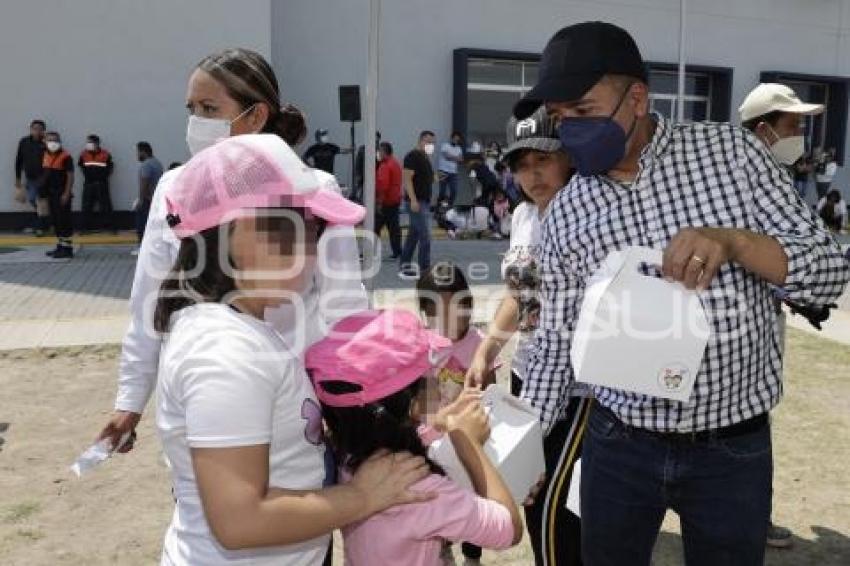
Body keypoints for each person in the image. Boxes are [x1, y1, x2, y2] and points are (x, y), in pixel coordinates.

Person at [513, 21, 850, 566]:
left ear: (637, 97)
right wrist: (522, 444)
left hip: (730, 451)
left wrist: (736, 242)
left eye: (583, 110)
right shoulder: (569, 210)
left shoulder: (731, 156)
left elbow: (830, 272)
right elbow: (554, 341)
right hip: (618, 444)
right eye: (561, 117)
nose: (570, 130)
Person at [154, 134, 432, 565]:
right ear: (242, 230)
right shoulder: (225, 352)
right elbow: (240, 521)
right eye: (305, 228)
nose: (313, 247)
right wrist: (361, 497)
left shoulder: (242, 326)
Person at [96, 47, 367, 466]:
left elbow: (345, 304)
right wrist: (130, 399)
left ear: (255, 116)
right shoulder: (176, 187)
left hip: (295, 409)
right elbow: (148, 302)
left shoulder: (313, 189)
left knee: (296, 515)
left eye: (209, 108)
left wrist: (344, 399)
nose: (196, 122)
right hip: (207, 408)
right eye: (192, 108)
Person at [306, 308, 523, 566]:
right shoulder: (419, 488)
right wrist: (468, 442)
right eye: (430, 371)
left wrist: (438, 424)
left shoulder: (349, 455)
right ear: (409, 402)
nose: (438, 378)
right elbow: (508, 529)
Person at [467, 107, 584, 566]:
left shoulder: (589, 210)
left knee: (559, 505)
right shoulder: (522, 216)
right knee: (532, 493)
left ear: (568, 158)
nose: (531, 175)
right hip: (527, 375)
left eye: (543, 160)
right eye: (521, 165)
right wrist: (488, 347)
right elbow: (520, 294)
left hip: (580, 387)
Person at [738, 81, 826, 550]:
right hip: (733, 334)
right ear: (764, 130)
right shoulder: (738, 183)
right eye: (792, 126)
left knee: (757, 416)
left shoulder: (779, 180)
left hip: (766, 321)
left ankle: (753, 515)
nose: (800, 136)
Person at [417, 262, 501, 564]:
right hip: (431, 439)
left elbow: (490, 394)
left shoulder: (478, 345)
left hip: (468, 439)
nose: (454, 316)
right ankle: (441, 551)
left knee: (470, 499)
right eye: (442, 309)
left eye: (460, 306)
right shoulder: (421, 345)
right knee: (436, 501)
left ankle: (472, 554)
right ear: (427, 312)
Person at [399, 130, 436, 280]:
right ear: (420, 141)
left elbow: (425, 179)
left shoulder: (425, 158)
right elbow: (407, 179)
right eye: (428, 141)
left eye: (433, 142)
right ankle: (425, 270)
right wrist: (413, 200)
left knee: (413, 236)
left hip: (423, 201)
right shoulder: (413, 156)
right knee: (425, 237)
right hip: (416, 202)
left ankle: (405, 266)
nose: (430, 145)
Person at [40, 131, 75, 259]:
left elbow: (70, 177)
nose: (52, 143)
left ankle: (67, 249)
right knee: (56, 221)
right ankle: (60, 246)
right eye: (49, 140)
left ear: (59, 142)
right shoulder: (45, 154)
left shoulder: (66, 156)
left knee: (64, 221)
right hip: (51, 193)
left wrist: (66, 193)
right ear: (45, 141)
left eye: (54, 140)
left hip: (61, 193)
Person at [14, 119, 48, 234]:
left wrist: (47, 142)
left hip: (44, 178)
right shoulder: (24, 142)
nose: (37, 131)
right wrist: (18, 178)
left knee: (41, 201)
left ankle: (41, 227)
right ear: (31, 129)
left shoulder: (46, 143)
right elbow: (19, 160)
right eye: (34, 129)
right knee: (32, 199)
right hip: (30, 178)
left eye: (40, 129)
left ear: (43, 131)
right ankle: (44, 223)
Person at [78, 134, 115, 233]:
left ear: (97, 143)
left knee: (105, 205)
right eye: (88, 142)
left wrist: (103, 177)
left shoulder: (105, 154)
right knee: (86, 205)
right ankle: (84, 228)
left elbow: (110, 168)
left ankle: (110, 228)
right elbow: (81, 167)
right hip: (88, 183)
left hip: (101, 183)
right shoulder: (83, 154)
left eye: (90, 142)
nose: (88, 144)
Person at [134, 141, 163, 254]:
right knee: (152, 225)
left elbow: (144, 182)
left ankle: (142, 247)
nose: (137, 155)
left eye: (138, 152)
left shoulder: (146, 165)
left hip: (147, 199)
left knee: (142, 224)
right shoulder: (157, 163)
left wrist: (140, 199)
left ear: (143, 152)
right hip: (156, 199)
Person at [375, 141, 403, 259]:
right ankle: (397, 251)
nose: (378, 153)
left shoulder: (385, 165)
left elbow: (383, 185)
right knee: (394, 228)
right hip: (394, 200)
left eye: (380, 151)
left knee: (374, 227)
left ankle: (370, 250)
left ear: (384, 152)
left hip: (386, 201)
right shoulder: (395, 163)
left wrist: (379, 202)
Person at [437, 131, 464, 206]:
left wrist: (453, 157)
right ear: (451, 138)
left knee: (454, 190)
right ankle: (439, 206)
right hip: (442, 171)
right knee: (442, 191)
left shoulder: (459, 148)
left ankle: (449, 205)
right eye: (455, 139)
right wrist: (456, 158)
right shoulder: (445, 145)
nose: (456, 141)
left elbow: (461, 160)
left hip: (453, 173)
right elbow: (446, 156)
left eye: (458, 140)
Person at [354, 131, 381, 203]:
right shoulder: (362, 149)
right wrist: (358, 175)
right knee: (361, 194)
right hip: (363, 175)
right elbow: (358, 163)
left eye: (377, 139)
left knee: (376, 195)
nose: (375, 140)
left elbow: (380, 162)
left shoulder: (379, 150)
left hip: (376, 176)